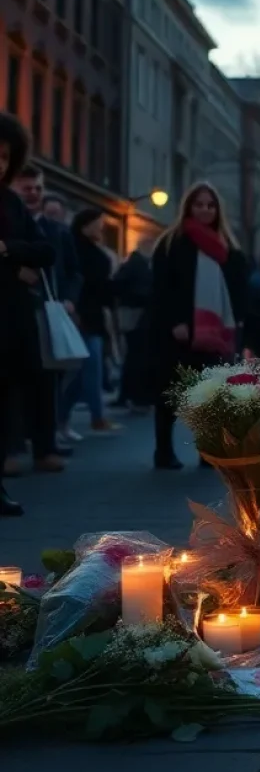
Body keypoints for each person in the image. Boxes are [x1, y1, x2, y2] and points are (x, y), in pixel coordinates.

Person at [150, 182, 247, 470]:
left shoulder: (230, 248)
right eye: (199, 204)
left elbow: (239, 290)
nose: (205, 210)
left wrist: (237, 323)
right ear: (188, 207)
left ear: (218, 210)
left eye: (210, 205)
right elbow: (162, 289)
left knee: (212, 394)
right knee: (171, 392)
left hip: (217, 335)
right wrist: (175, 322)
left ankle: (209, 450)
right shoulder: (172, 244)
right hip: (179, 332)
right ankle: (163, 450)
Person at [0, 113, 56, 515]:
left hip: (9, 321)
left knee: (5, 404)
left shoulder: (10, 202)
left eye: (4, 157)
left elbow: (45, 251)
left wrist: (8, 251)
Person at [10, 170, 80, 465]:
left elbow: (73, 271)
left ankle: (46, 447)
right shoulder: (8, 223)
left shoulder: (58, 231)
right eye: (27, 188)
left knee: (47, 380)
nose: (33, 193)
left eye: (38, 188)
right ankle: (11, 450)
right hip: (13, 310)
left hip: (49, 311)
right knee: (12, 381)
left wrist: (69, 300)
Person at [58, 209, 119, 436]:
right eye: (98, 223)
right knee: (86, 368)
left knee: (86, 370)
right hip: (81, 315)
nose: (101, 227)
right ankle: (92, 417)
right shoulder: (79, 249)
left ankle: (71, 418)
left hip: (92, 315)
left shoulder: (93, 250)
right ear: (86, 225)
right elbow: (89, 283)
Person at [112, 237, 156, 410]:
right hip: (138, 313)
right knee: (138, 354)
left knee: (133, 354)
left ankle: (129, 394)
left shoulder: (135, 263)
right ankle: (137, 395)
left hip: (135, 312)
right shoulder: (139, 264)